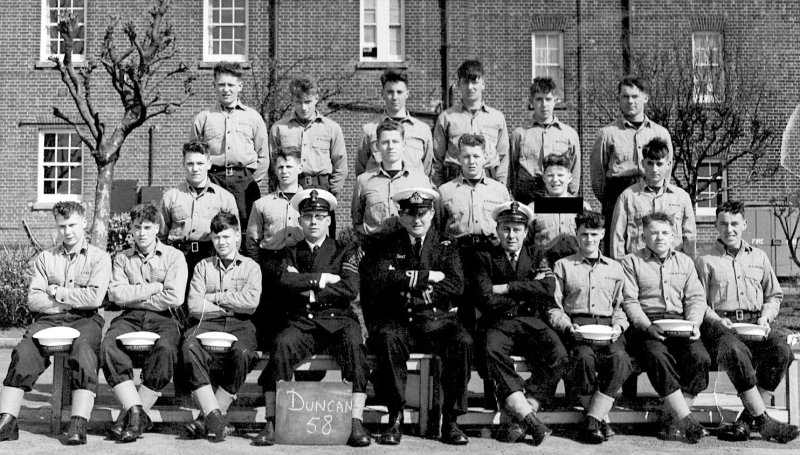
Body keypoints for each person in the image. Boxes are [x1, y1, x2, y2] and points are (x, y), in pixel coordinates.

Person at [253, 189, 370, 447]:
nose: (314, 222)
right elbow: (284, 281)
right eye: (308, 216)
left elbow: (350, 288)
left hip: (338, 320)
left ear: (329, 220)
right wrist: (323, 279)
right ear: (300, 221)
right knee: (282, 345)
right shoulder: (290, 252)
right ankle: (272, 421)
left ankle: (356, 421)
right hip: (303, 322)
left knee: (354, 346)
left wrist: (308, 290)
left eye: (319, 216)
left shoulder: (344, 250)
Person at [362, 187, 472, 446]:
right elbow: (380, 279)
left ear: (432, 213)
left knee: (462, 341)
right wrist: (427, 277)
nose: (417, 220)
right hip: (400, 321)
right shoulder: (387, 244)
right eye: (410, 214)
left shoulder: (447, 245)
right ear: (401, 216)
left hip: (437, 322)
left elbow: (456, 285)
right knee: (387, 339)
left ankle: (451, 419)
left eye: (422, 213)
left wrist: (409, 285)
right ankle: (395, 416)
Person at [0, 202, 110, 444]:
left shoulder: (100, 258)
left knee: (84, 352)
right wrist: (70, 301)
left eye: (72, 225)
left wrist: (57, 292)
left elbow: (95, 298)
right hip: (49, 319)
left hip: (86, 319)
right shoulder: (46, 258)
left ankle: (78, 422)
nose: (67, 231)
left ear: (84, 223)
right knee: (24, 351)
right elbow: (34, 300)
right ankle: (7, 420)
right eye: (62, 226)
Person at [695, 200, 799, 443]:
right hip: (721, 328)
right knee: (734, 350)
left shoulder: (760, 257)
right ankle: (763, 421)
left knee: (782, 350)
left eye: (734, 224)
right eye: (723, 224)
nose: (729, 229)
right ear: (715, 226)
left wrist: (766, 316)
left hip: (755, 325)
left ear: (744, 224)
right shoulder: (705, 260)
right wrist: (718, 321)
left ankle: (745, 421)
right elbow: (699, 303)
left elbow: (774, 295)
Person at [474, 201, 568, 446]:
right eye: (506, 228)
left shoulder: (536, 254)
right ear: (497, 230)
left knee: (558, 353)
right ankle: (528, 418)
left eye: (517, 229)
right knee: (489, 350)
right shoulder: (484, 257)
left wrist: (507, 288)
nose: (511, 235)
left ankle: (519, 416)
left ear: (526, 232)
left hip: (530, 321)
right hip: (498, 322)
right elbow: (484, 298)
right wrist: (527, 292)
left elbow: (547, 288)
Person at [102, 203, 188, 442]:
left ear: (157, 228)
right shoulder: (122, 258)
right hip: (129, 317)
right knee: (109, 345)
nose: (141, 232)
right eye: (137, 227)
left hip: (164, 318)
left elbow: (175, 297)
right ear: (131, 228)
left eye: (147, 227)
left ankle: (129, 417)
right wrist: (153, 288)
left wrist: (136, 296)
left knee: (167, 348)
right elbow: (117, 295)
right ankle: (137, 412)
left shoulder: (174, 257)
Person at [620, 212, 709, 443]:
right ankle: (687, 420)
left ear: (673, 236)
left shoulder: (685, 262)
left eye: (665, 233)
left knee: (700, 357)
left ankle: (672, 419)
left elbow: (696, 298)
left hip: (680, 324)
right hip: (647, 327)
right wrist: (648, 327)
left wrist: (694, 323)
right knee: (658, 356)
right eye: (654, 232)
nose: (660, 238)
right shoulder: (631, 262)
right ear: (643, 235)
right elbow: (629, 301)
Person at [549, 210, 632, 444]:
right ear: (577, 235)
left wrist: (619, 326)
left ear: (603, 234)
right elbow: (554, 307)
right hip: (578, 328)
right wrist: (567, 327)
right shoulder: (563, 266)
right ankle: (599, 419)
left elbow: (621, 306)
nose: (589, 239)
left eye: (594, 234)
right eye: (584, 234)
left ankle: (593, 419)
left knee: (621, 359)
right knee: (583, 359)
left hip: (607, 328)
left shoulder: (615, 268)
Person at [180, 212, 261, 442]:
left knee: (244, 353)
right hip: (207, 322)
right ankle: (215, 416)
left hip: (240, 324)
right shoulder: (202, 267)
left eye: (226, 236)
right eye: (216, 238)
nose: (221, 242)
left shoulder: (251, 267)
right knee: (188, 346)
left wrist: (215, 297)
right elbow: (195, 306)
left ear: (237, 236)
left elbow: (251, 304)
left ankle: (206, 418)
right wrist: (230, 305)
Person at [590, 75, 673, 254]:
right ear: (619, 99)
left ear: (645, 98)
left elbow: (666, 170)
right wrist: (610, 198)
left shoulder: (661, 133)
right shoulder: (607, 133)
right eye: (625, 97)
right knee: (616, 248)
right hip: (616, 194)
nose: (630, 101)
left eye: (635, 96)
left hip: (649, 195)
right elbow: (597, 175)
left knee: (650, 245)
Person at [438, 133, 511, 335]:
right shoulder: (445, 191)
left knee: (489, 308)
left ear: (485, 157)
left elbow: (507, 224)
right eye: (467, 156)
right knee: (462, 310)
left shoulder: (499, 191)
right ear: (458, 158)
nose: (471, 161)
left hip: (490, 254)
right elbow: (437, 228)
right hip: (459, 255)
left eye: (476, 156)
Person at [191, 61, 269, 247]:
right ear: (214, 86)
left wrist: (250, 181)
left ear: (239, 86)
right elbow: (194, 154)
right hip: (213, 180)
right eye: (221, 85)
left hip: (244, 182)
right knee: (212, 229)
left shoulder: (253, 117)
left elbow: (263, 156)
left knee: (244, 232)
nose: (226, 89)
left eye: (231, 85)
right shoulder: (204, 118)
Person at [270, 77, 347, 236]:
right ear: (292, 100)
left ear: (316, 99)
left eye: (308, 101)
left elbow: (340, 164)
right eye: (298, 102)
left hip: (321, 187)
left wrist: (330, 192)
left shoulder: (331, 128)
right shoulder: (279, 129)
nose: (304, 107)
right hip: (290, 187)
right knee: (292, 235)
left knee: (323, 239)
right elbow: (273, 166)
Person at [159, 140, 239, 292]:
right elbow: (161, 236)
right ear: (183, 164)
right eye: (190, 163)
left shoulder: (225, 198)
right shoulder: (171, 197)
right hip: (179, 258)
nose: (195, 169)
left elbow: (235, 238)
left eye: (200, 163)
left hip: (212, 258)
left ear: (209, 164)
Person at [245, 146, 305, 350]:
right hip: (270, 264)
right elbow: (253, 241)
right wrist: (261, 267)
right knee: (271, 319)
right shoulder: (262, 204)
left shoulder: (309, 201)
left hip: (300, 263)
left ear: (300, 167)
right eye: (280, 167)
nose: (285, 171)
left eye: (289, 166)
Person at [610, 137, 696, 260]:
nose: (654, 169)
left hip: (673, 266)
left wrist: (689, 267)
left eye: (659, 164)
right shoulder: (628, 197)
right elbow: (617, 238)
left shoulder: (681, 197)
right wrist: (620, 269)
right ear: (642, 163)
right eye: (650, 163)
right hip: (638, 266)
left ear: (668, 164)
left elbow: (690, 237)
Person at [352, 120, 435, 239]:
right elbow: (357, 221)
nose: (390, 147)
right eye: (385, 142)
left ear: (403, 145)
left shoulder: (420, 180)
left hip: (409, 247)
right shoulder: (363, 181)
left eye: (395, 141)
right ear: (377, 146)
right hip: (375, 248)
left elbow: (428, 220)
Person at [433, 59, 509, 187]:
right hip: (455, 182)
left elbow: (503, 157)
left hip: (489, 182)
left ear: (483, 84)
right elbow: (436, 159)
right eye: (465, 82)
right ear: (459, 84)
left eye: (474, 82)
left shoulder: (497, 118)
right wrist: (439, 188)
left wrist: (501, 186)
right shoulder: (446, 118)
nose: (470, 87)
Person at [509, 77, 581, 204]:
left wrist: (570, 196)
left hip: (559, 196)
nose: (544, 104)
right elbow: (512, 170)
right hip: (527, 196)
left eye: (548, 99)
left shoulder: (569, 134)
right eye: (539, 99)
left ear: (556, 101)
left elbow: (574, 171)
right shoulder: (519, 134)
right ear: (531, 101)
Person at [357, 69, 433, 178]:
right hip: (381, 190)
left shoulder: (423, 130)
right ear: (382, 93)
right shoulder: (370, 130)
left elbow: (427, 170)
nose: (394, 97)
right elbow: (361, 170)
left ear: (407, 94)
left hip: (412, 190)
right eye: (390, 92)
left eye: (399, 92)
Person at [529, 153, 592, 266]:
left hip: (576, 265)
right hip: (544, 266)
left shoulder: (583, 207)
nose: (555, 180)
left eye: (560, 175)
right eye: (550, 175)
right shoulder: (533, 208)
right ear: (543, 178)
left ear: (569, 178)